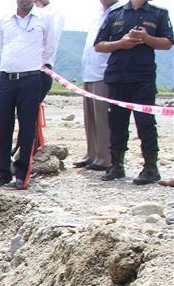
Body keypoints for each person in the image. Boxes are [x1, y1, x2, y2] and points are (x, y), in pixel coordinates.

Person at [95, 0, 172, 185]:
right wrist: (121, 43)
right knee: (117, 122)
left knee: (146, 123)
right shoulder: (116, 14)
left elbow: (168, 42)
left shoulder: (158, 13)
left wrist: (147, 38)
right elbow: (99, 45)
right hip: (117, 76)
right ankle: (117, 165)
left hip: (143, 78)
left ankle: (151, 168)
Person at [0, 0, 57, 190]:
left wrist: (33, 66)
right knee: (4, 127)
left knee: (26, 128)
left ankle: (22, 173)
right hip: (6, 78)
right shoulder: (4, 19)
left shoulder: (45, 18)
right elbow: (0, 46)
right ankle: (3, 172)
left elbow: (50, 47)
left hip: (31, 78)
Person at [74, 0, 124, 172]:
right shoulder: (98, 13)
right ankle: (92, 154)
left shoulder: (120, 12)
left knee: (103, 118)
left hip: (104, 73)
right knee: (90, 118)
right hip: (89, 72)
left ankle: (105, 158)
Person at [34, 0, 64, 100]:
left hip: (41, 68)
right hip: (22, 68)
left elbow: (51, 44)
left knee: (31, 109)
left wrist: (39, 61)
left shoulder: (54, 14)